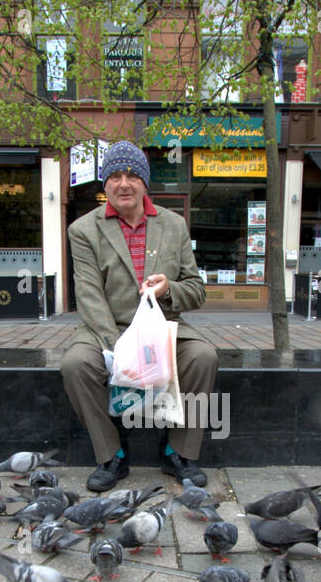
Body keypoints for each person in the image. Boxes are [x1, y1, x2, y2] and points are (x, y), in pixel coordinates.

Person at [62, 140, 216, 492]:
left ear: (145, 182)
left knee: (203, 356)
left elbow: (196, 289)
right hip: (108, 328)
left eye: (131, 175)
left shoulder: (173, 225)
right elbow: (88, 296)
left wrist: (168, 290)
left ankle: (177, 451)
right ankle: (112, 452)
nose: (123, 183)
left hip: (162, 326)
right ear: (105, 184)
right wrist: (124, 349)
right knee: (75, 364)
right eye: (114, 176)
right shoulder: (83, 230)